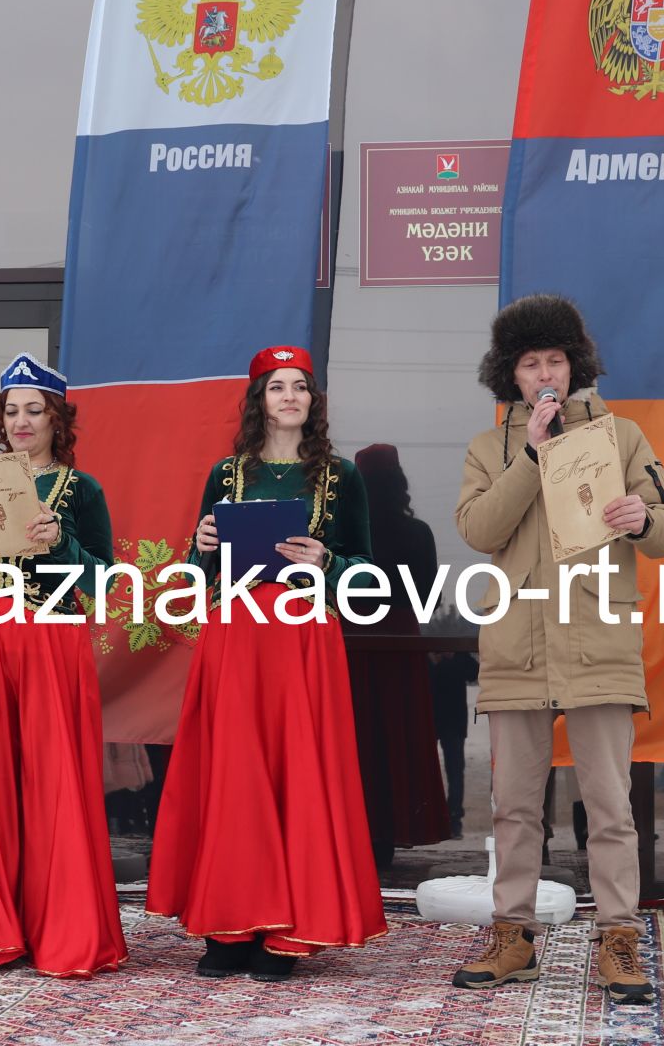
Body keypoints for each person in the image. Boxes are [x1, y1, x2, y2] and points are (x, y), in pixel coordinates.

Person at [447, 295, 664, 1005]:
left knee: (609, 807)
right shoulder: (488, 449)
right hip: (517, 644)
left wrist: (643, 517)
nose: (545, 373)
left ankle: (618, 940)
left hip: (598, 642)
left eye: (555, 360)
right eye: (531, 363)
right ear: (511, 376)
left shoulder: (622, 437)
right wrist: (533, 455)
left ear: (575, 365)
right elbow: (479, 528)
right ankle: (512, 937)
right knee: (514, 808)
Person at [147, 346, 386, 983]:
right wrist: (199, 551)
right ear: (259, 400)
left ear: (313, 401)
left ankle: (287, 932)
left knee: (296, 773)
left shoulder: (341, 476)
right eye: (276, 386)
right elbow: (199, 578)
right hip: (236, 633)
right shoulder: (226, 474)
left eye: (300, 387)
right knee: (233, 774)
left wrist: (326, 564)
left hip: (303, 639)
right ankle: (229, 928)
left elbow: (369, 578)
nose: (289, 396)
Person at [0, 353, 125, 978]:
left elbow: (101, 583)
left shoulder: (82, 488)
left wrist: (60, 542)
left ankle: (64, 934)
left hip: (49, 637)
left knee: (55, 783)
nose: (20, 421)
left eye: (33, 410)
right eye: (11, 410)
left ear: (56, 419)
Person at [350, 443, 451, 866]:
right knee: (398, 733)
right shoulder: (418, 532)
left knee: (358, 738)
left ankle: (356, 833)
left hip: (352, 641)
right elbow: (429, 596)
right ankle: (392, 834)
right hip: (402, 641)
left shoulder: (347, 534)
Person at [430, 649, 480, 839]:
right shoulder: (455, 652)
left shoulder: (457, 653)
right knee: (451, 772)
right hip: (443, 719)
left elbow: (474, 672)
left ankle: (452, 820)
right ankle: (447, 819)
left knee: (455, 771)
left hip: (447, 720)